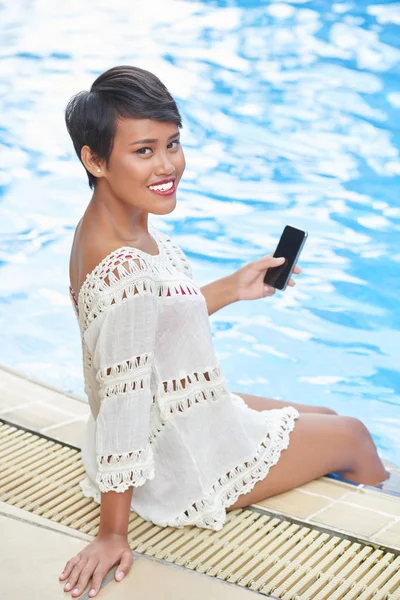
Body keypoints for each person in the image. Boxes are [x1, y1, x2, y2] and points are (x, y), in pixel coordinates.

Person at [60, 65, 389, 598]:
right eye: (143, 151)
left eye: (172, 143)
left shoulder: (108, 225)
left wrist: (234, 287)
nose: (167, 165)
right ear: (94, 159)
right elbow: (122, 401)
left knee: (323, 417)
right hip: (177, 461)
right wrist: (111, 534)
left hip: (173, 412)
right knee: (352, 434)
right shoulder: (129, 274)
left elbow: (148, 326)